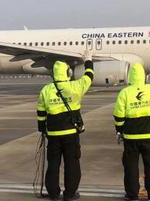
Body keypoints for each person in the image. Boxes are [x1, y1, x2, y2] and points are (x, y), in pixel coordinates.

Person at [37, 52, 94, 201]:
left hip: (53, 134)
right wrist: (88, 61)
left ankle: (53, 193)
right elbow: (89, 77)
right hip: (70, 133)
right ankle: (70, 194)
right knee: (72, 164)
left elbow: (41, 112)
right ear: (68, 72)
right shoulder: (75, 86)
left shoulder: (46, 90)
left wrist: (42, 129)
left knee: (53, 165)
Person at [112, 61, 150, 201]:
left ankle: (132, 195)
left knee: (131, 166)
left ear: (130, 76)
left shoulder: (124, 92)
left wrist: (119, 130)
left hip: (131, 136)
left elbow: (118, 116)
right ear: (143, 76)